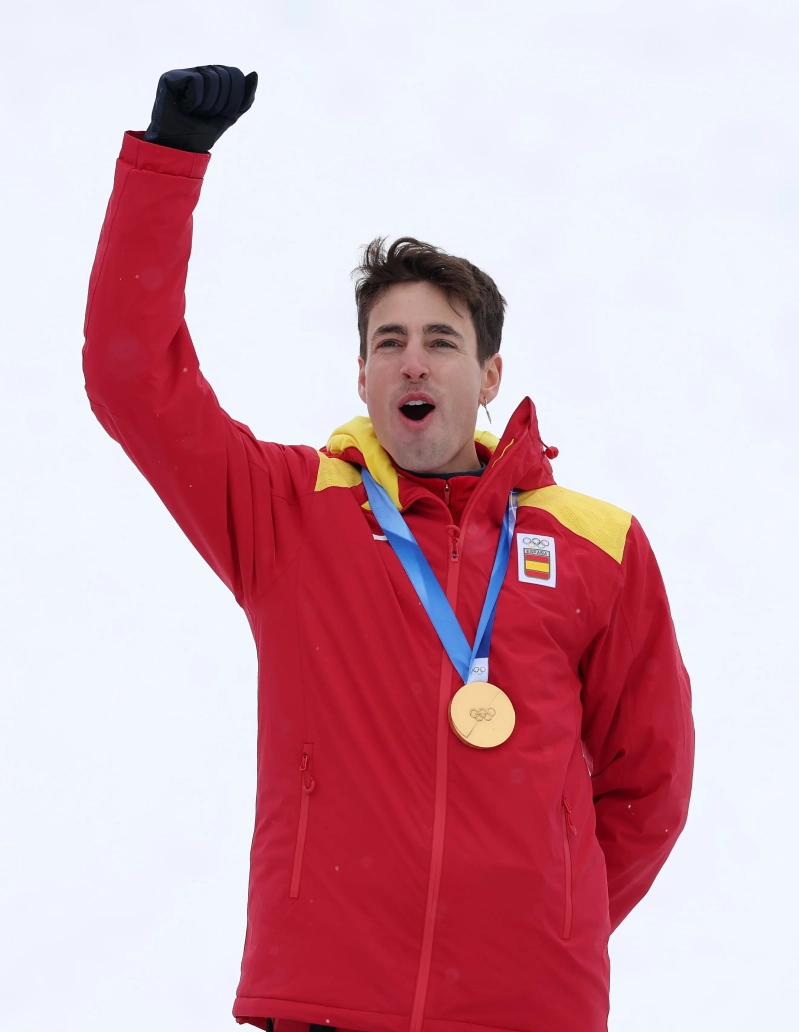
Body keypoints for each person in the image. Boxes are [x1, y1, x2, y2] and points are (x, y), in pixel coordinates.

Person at [83, 65, 694, 1032]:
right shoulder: (288, 511)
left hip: (529, 1008)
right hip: (327, 1002)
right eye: (390, 340)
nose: (414, 359)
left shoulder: (598, 546)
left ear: (490, 374)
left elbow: (649, 784)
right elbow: (131, 381)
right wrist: (169, 163)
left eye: (443, 341)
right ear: (362, 374)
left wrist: (549, 923)